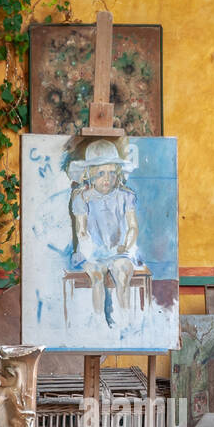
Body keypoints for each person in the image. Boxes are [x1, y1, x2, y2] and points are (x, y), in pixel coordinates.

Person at [69, 140, 140, 328]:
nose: (106, 178)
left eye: (111, 173)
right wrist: (92, 250)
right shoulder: (82, 197)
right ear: (89, 174)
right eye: (100, 173)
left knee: (123, 272)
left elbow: (132, 226)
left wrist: (127, 244)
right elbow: (81, 231)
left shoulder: (125, 196)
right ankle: (99, 321)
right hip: (93, 251)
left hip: (119, 249)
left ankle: (125, 319)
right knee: (98, 276)